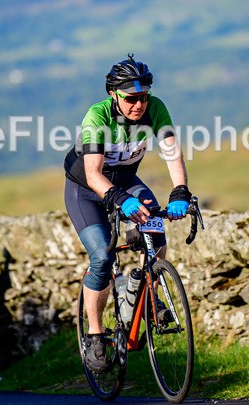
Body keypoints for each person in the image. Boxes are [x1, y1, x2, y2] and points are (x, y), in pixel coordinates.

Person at [63, 53, 191, 373]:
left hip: (126, 181)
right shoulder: (98, 116)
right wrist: (118, 199)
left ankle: (146, 292)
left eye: (144, 97)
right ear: (113, 95)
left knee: (155, 230)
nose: (139, 105)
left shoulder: (155, 108)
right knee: (102, 258)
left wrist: (180, 192)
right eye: (131, 98)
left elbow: (172, 153)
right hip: (86, 190)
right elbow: (93, 175)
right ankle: (94, 336)